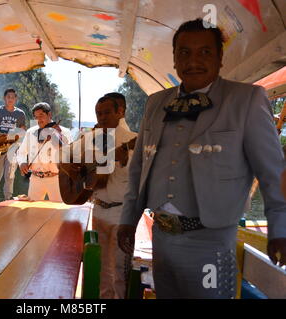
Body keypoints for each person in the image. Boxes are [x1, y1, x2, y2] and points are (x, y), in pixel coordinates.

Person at [117, 18, 286, 299]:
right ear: (174, 59)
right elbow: (138, 169)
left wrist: (280, 228)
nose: (193, 60)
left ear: (220, 59)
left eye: (205, 52)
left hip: (211, 242)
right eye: (184, 52)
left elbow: (272, 172)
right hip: (161, 237)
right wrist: (128, 219)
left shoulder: (246, 100)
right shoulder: (156, 103)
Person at [62, 96, 137, 298]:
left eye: (107, 112)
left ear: (120, 112)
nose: (102, 117)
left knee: (121, 271)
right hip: (99, 209)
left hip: (123, 214)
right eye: (98, 113)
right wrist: (68, 167)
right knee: (104, 269)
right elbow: (61, 154)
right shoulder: (91, 138)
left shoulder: (134, 140)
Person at [17, 102, 71, 202]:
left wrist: (57, 138)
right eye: (36, 117)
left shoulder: (64, 131)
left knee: (58, 211)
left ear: (49, 114)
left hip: (56, 179)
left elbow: (69, 154)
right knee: (32, 210)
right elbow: (21, 152)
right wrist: (22, 162)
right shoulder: (30, 132)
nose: (39, 120)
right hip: (35, 178)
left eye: (41, 115)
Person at [0, 88, 26, 205]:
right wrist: (0, 135)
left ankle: (8, 198)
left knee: (10, 175)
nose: (10, 99)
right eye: (8, 97)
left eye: (12, 97)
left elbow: (22, 130)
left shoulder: (20, 113)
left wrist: (14, 135)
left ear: (15, 99)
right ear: (4, 98)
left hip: (12, 147)